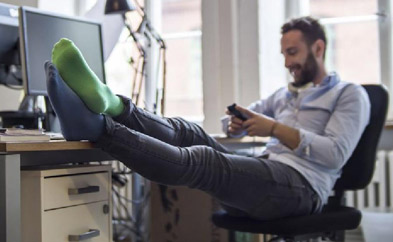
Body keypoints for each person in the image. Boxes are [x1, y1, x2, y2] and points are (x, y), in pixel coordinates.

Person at [45, 16, 370, 221]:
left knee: (205, 161)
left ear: (318, 48)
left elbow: (335, 154)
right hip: (268, 172)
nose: (287, 62)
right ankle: (114, 105)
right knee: (188, 131)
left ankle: (99, 128)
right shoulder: (285, 95)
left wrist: (272, 127)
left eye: (293, 52)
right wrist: (237, 124)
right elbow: (242, 118)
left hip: (301, 188)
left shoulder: (350, 95)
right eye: (284, 53)